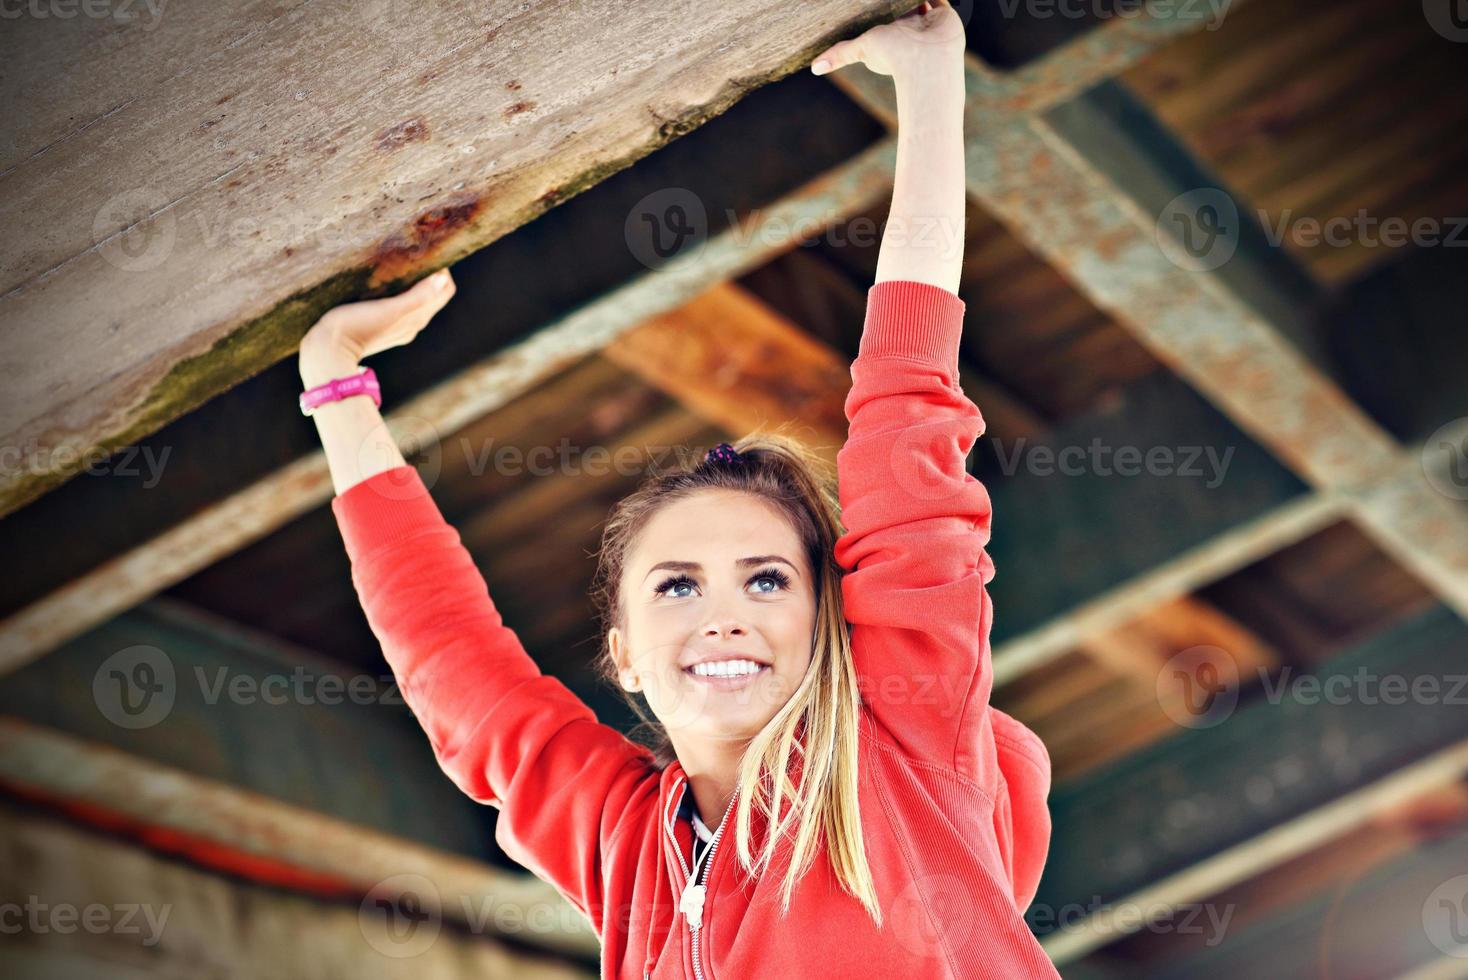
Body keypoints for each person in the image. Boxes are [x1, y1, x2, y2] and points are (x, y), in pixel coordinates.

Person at [299, 1, 1058, 976]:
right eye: (676, 584)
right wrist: (335, 389)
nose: (724, 614)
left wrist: (928, 84)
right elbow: (456, 671)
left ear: (832, 618)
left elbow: (909, 416)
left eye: (769, 578)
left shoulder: (903, 745)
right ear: (621, 653)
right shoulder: (623, 850)